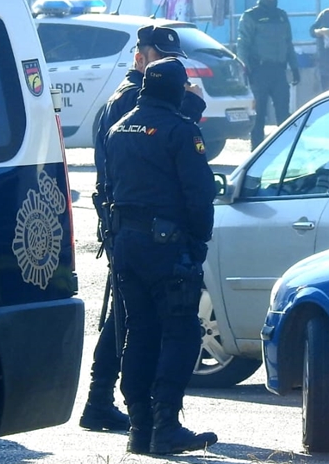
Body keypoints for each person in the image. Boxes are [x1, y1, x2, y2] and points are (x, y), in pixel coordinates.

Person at [80, 25, 205, 434]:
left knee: (133, 322)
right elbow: (184, 179)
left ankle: (127, 413)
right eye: (158, 57)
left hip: (127, 230)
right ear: (140, 57)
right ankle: (146, 415)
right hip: (152, 234)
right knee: (150, 325)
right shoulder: (134, 100)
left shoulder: (128, 109)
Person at [103, 57, 218, 455]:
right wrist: (199, 241)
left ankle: (140, 427)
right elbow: (199, 195)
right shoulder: (180, 132)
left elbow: (107, 186)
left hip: (126, 244)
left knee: (140, 330)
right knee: (182, 331)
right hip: (166, 246)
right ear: (174, 89)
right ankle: (166, 424)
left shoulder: (118, 128)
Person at [237, 0, 299, 150]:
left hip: (279, 71)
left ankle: (285, 151)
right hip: (259, 72)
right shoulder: (251, 16)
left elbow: (288, 43)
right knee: (259, 117)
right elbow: (243, 44)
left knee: (283, 115)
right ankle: (256, 153)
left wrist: (294, 68)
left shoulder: (281, 16)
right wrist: (245, 68)